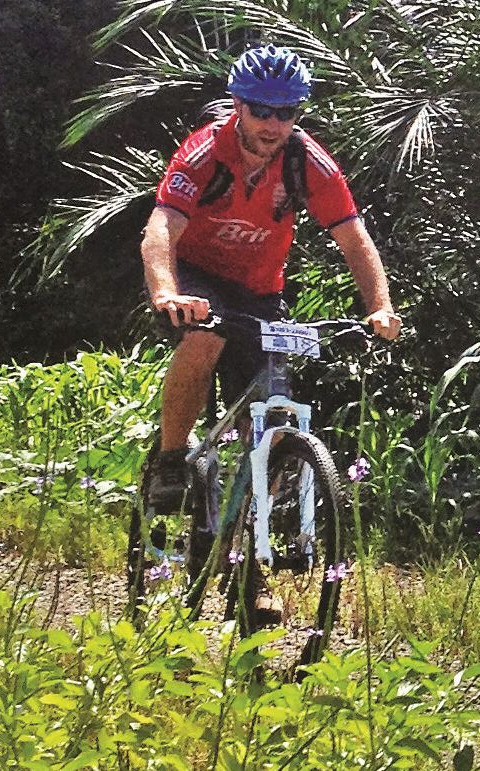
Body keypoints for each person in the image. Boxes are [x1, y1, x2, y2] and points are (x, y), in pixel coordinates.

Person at [140, 44, 402, 512]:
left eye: (286, 112)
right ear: (238, 105)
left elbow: (355, 241)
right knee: (204, 339)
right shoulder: (204, 153)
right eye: (261, 110)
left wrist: (379, 307)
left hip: (260, 288)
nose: (273, 124)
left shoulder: (307, 162)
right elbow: (161, 229)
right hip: (197, 276)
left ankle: (243, 535)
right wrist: (167, 292)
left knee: (272, 420)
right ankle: (171, 460)